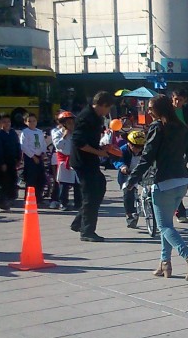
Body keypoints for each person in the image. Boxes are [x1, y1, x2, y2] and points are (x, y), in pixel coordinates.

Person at [126, 95, 188, 279]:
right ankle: (165, 264)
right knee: (167, 223)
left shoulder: (157, 127)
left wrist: (132, 179)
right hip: (183, 181)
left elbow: (147, 156)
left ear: (159, 110)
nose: (148, 111)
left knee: (164, 226)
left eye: (151, 108)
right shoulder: (182, 127)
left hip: (164, 182)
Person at [70, 91, 114, 242]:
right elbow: (79, 142)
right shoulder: (85, 117)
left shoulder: (96, 117)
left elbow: (92, 139)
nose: (108, 112)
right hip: (83, 161)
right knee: (90, 194)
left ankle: (79, 223)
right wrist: (98, 152)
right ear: (102, 105)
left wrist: (103, 147)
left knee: (100, 186)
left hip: (91, 159)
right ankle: (87, 231)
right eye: (108, 108)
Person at [171, 89, 188, 223]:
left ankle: (179, 210)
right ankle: (177, 209)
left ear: (184, 100)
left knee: (179, 180)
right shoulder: (166, 111)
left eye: (180, 100)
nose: (177, 102)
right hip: (167, 150)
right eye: (175, 99)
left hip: (181, 150)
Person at [115, 129, 145, 228]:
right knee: (128, 192)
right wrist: (122, 167)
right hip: (127, 174)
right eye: (135, 146)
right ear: (129, 143)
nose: (138, 149)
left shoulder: (145, 150)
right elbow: (117, 160)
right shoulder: (122, 150)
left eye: (140, 147)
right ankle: (129, 215)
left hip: (141, 173)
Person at [52, 111, 80, 211]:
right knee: (64, 183)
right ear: (63, 123)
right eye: (69, 123)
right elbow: (58, 146)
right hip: (65, 160)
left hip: (75, 159)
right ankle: (63, 203)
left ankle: (78, 203)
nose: (71, 125)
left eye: (72, 122)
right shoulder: (57, 132)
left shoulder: (76, 133)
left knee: (78, 183)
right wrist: (65, 135)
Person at [20, 113, 46, 204]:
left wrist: (43, 152)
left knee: (41, 178)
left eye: (34, 121)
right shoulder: (25, 132)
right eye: (29, 121)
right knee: (31, 179)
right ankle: (28, 198)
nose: (32, 123)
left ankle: (38, 197)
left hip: (39, 156)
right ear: (25, 122)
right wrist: (33, 156)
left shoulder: (39, 131)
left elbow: (43, 143)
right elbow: (24, 146)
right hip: (30, 157)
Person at [0, 115, 21, 204]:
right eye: (4, 122)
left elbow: (17, 146)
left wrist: (19, 158)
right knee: (4, 181)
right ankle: (2, 199)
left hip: (13, 160)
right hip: (4, 162)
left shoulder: (12, 133)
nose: (7, 124)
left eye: (8, 121)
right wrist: (2, 163)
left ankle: (11, 197)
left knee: (13, 179)